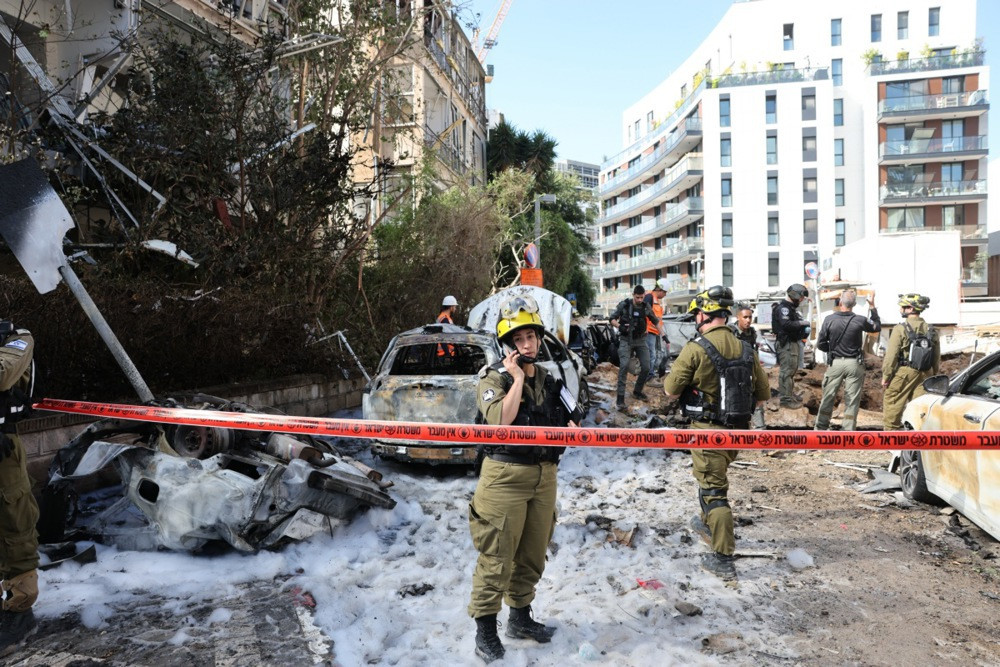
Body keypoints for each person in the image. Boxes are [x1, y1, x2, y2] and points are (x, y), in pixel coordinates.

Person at [469, 295, 581, 663]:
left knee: (533, 553)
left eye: (531, 336)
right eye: (519, 340)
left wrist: (572, 426)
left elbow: (574, 414)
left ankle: (520, 618)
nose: (527, 344)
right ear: (508, 346)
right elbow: (502, 419)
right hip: (504, 478)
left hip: (544, 477)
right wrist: (516, 378)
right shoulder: (492, 378)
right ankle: (486, 631)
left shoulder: (549, 379)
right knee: (497, 555)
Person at [663, 287, 769, 580]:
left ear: (703, 315)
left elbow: (670, 391)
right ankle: (706, 523)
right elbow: (762, 396)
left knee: (714, 492)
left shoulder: (696, 348)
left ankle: (723, 558)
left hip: (707, 433)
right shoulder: (746, 349)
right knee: (710, 479)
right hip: (737, 433)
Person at [0, 320, 39, 656]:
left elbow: (2, 374)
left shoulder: (16, 338)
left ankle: (20, 610)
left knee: (15, 524)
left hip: (3, 448)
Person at [814, 290, 881, 431]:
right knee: (852, 399)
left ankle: (820, 429)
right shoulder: (860, 320)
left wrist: (832, 350)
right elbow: (876, 326)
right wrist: (873, 307)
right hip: (854, 364)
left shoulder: (829, 319)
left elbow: (820, 344)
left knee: (828, 397)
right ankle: (848, 432)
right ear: (855, 304)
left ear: (840, 302)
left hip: (836, 363)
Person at [882, 293, 940, 431]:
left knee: (892, 401)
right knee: (919, 408)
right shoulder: (931, 329)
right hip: (926, 373)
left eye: (903, 307)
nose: (900, 309)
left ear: (910, 308)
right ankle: (918, 438)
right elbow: (936, 357)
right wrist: (932, 374)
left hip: (905, 372)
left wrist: (886, 376)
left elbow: (891, 355)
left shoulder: (900, 329)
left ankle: (891, 436)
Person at [609, 285, 659, 409]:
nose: (640, 300)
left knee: (647, 367)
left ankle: (637, 391)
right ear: (633, 295)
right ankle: (620, 399)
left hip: (641, 340)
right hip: (626, 340)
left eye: (642, 297)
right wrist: (619, 326)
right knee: (624, 366)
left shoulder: (645, 306)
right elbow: (612, 319)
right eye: (637, 297)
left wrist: (664, 335)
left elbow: (655, 321)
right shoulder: (625, 305)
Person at [772, 283, 811, 408]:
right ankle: (785, 400)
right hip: (786, 344)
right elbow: (786, 324)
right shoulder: (784, 308)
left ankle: (788, 396)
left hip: (791, 343)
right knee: (787, 372)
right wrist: (801, 323)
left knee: (791, 371)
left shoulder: (790, 309)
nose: (801, 300)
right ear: (794, 295)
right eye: (801, 297)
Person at [731, 303, 766, 429]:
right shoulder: (731, 332)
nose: (748, 320)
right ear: (738, 317)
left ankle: (760, 431)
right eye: (745, 317)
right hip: (733, 373)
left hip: (749, 371)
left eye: (750, 317)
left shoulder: (752, 333)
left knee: (756, 398)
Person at [644, 282, 668, 383]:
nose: (665, 295)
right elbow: (645, 313)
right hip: (648, 331)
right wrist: (644, 328)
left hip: (655, 331)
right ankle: (649, 376)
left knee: (656, 354)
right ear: (660, 290)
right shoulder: (649, 297)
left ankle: (651, 373)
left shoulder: (655, 300)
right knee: (651, 354)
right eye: (665, 292)